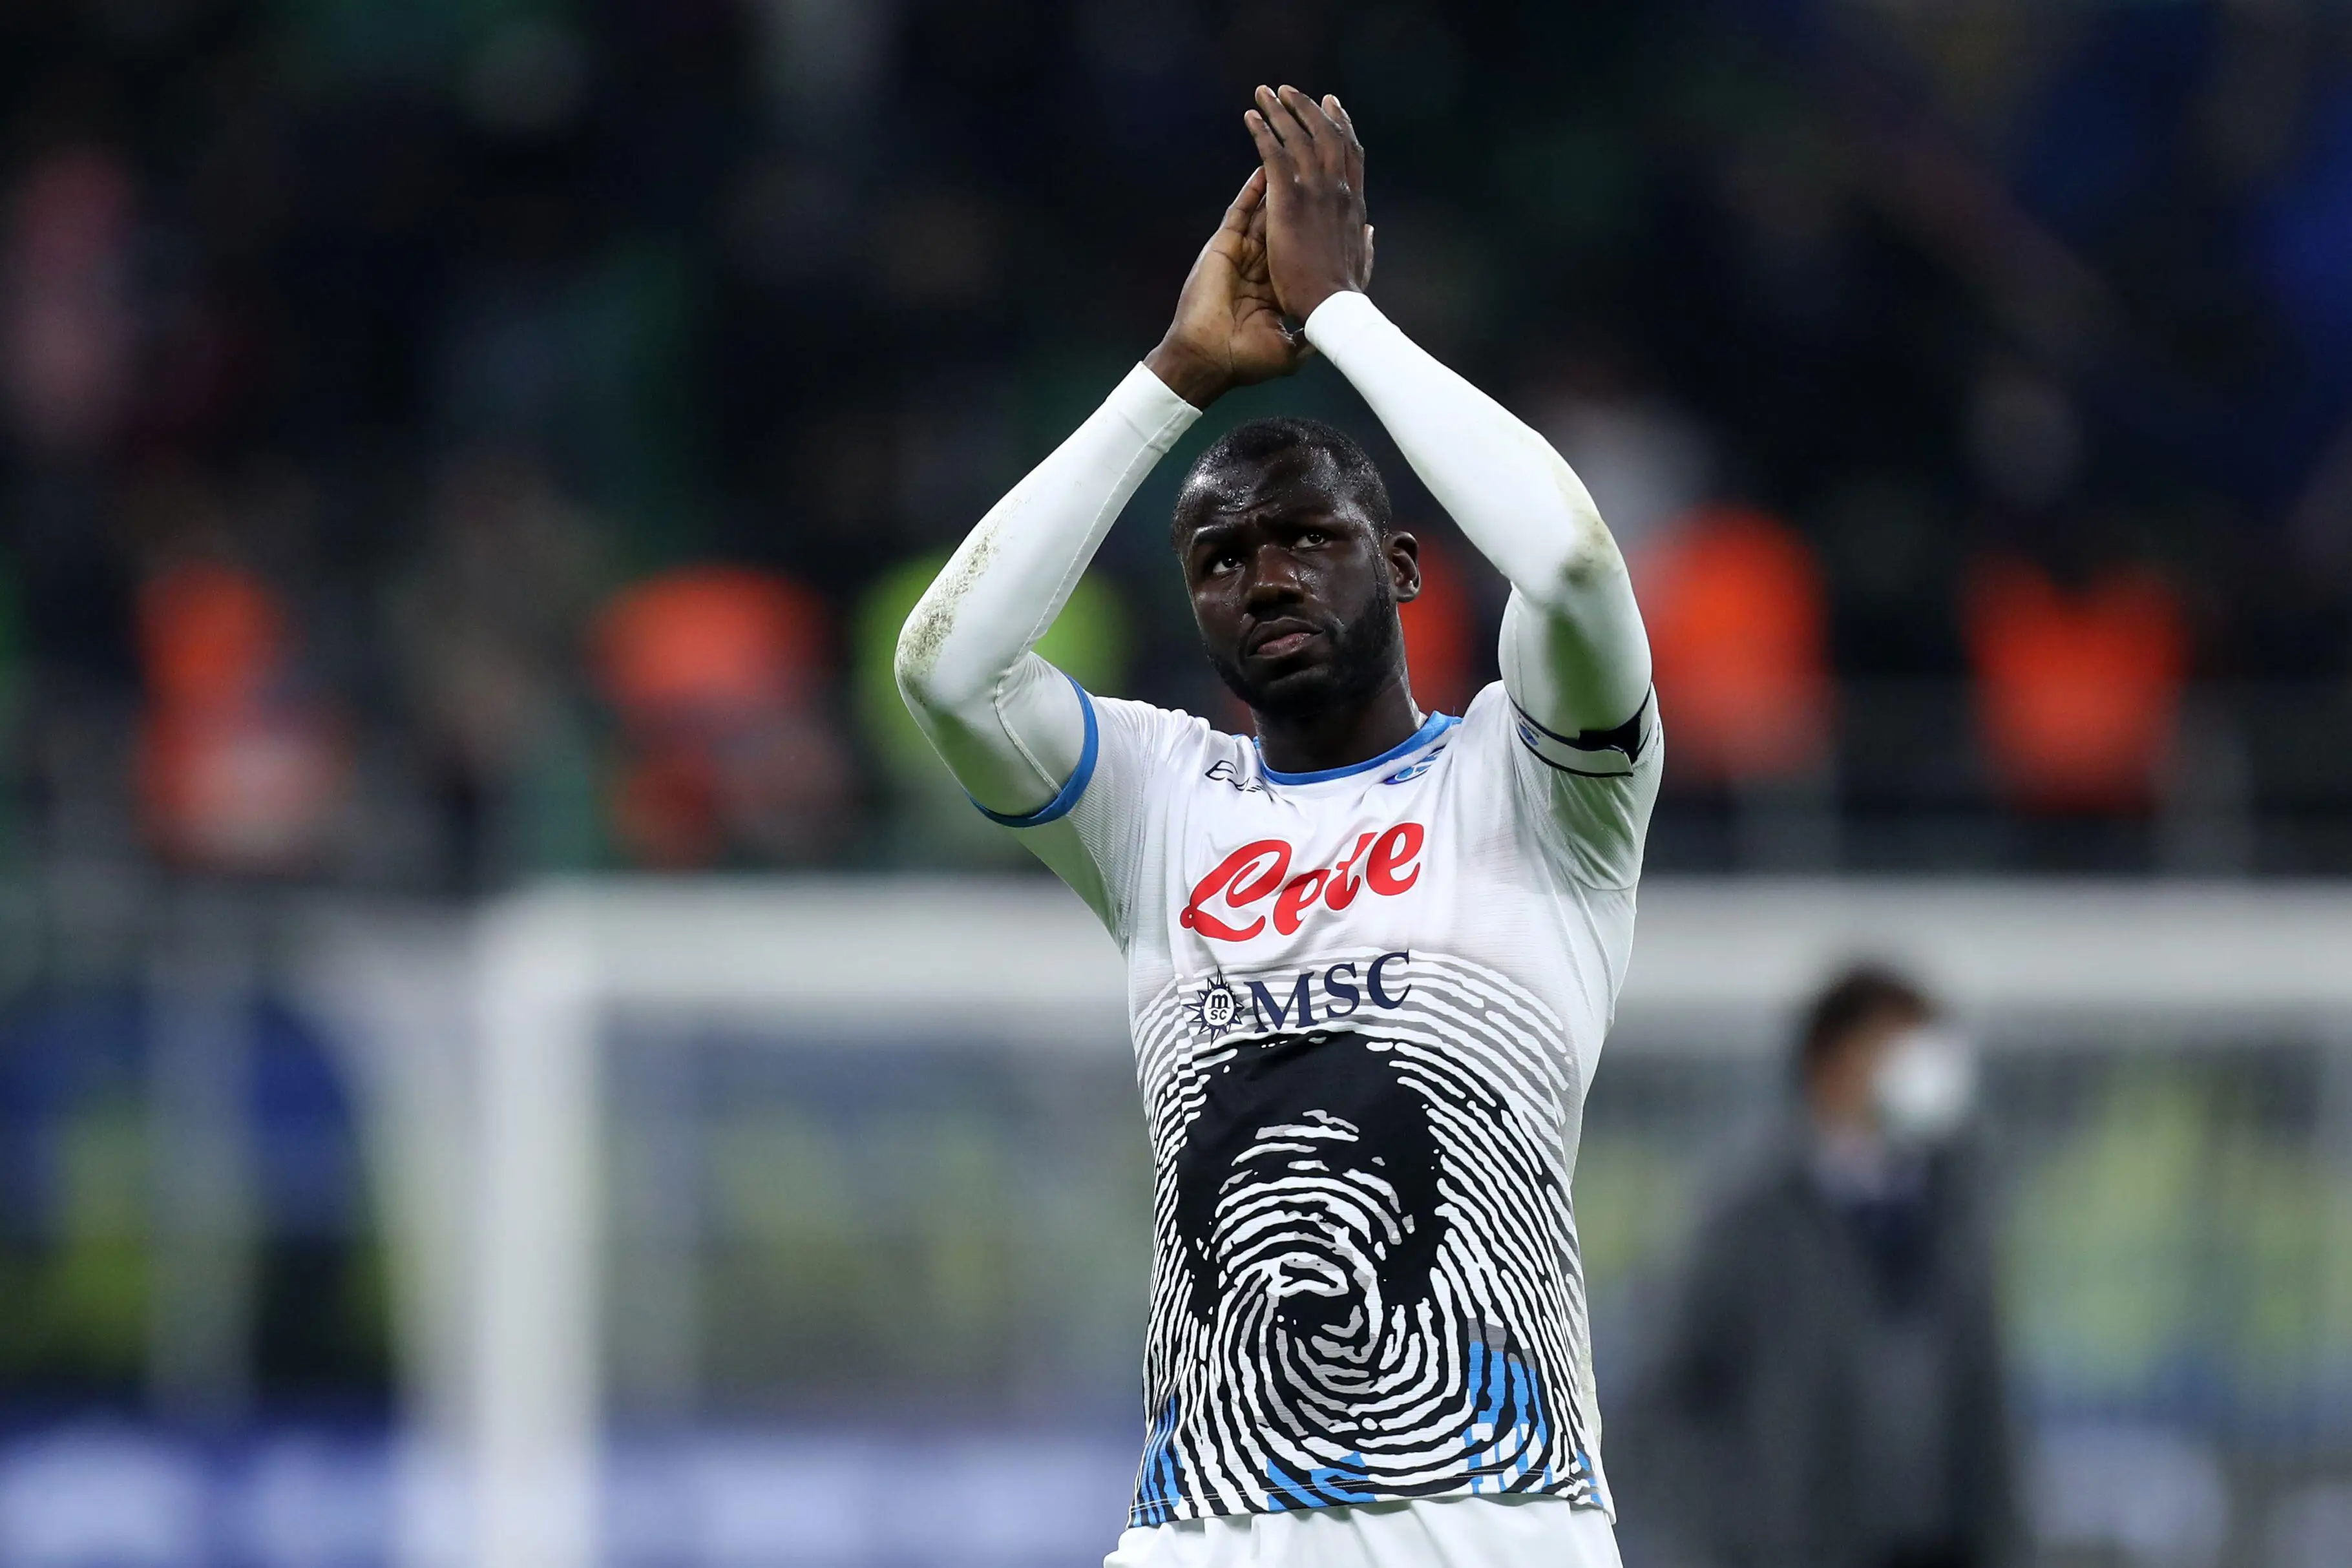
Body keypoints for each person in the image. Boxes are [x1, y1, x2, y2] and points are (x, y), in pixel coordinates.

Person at [896, 85, 1659, 1567]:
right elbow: (946, 662)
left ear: (1407, 564)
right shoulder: (1158, 805)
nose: (1266, 575)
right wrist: (1180, 372)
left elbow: (1568, 564)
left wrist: (1346, 320)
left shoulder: (1534, 786)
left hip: (1493, 1522)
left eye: (1310, 537)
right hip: (1205, 1535)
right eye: (1223, 556)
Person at [1632, 967, 2021, 1568]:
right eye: (1899, 1044)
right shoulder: (1747, 1217)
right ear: (1834, 1058)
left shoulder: (1959, 1204)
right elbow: (1670, 1398)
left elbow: (1986, 1401)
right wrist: (1731, 1531)